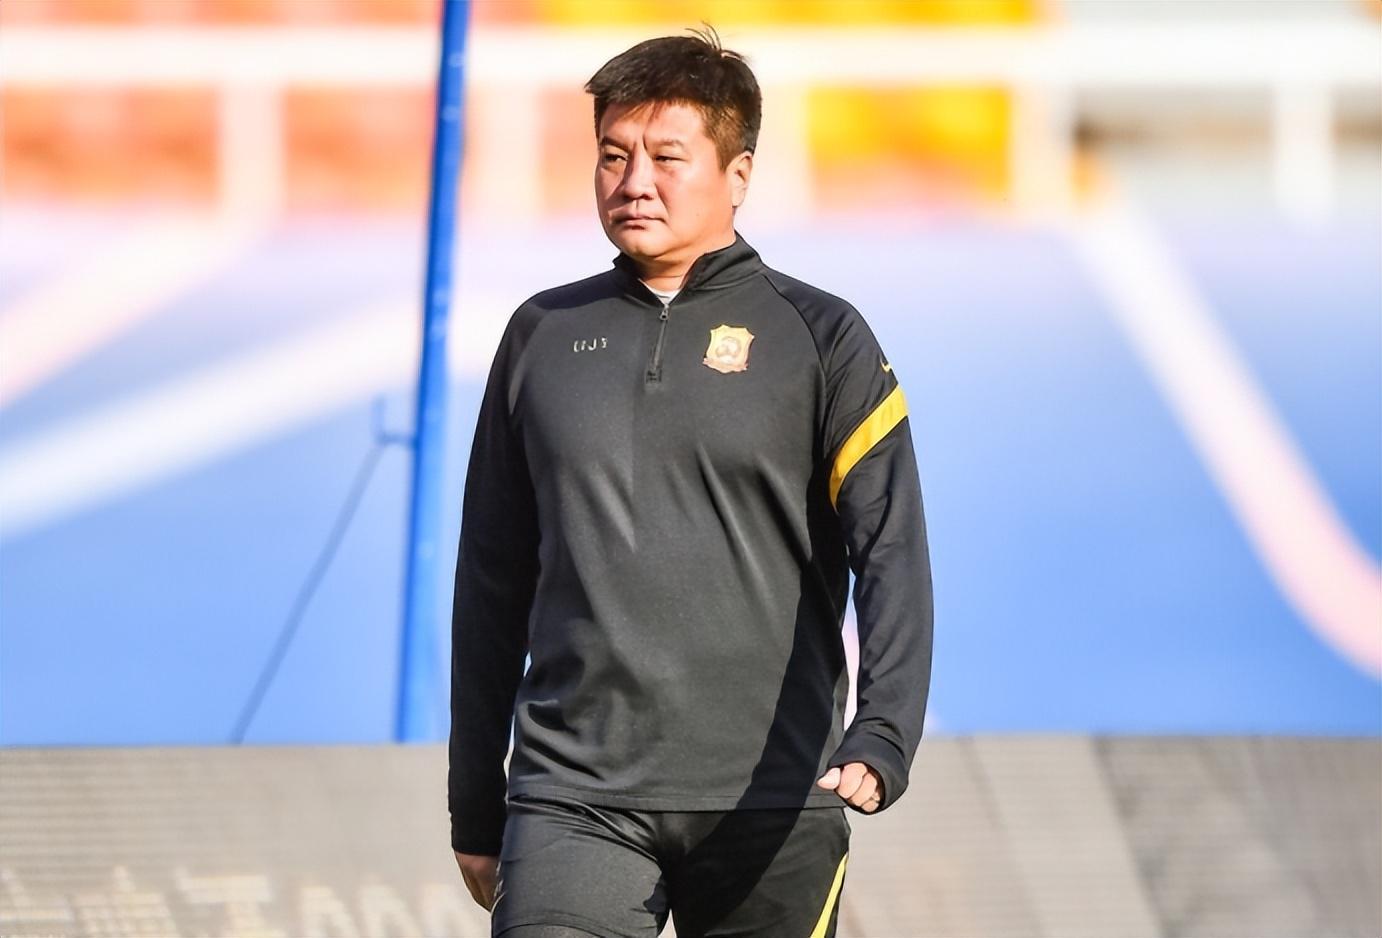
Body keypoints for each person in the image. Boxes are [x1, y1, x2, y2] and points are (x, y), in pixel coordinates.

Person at [449, 26, 933, 938]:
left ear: (738, 174)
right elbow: (490, 582)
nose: (635, 181)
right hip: (572, 796)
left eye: (667, 157)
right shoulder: (540, 335)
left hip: (773, 800)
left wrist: (885, 731)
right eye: (613, 155)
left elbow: (892, 553)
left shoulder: (824, 338)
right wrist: (475, 801)